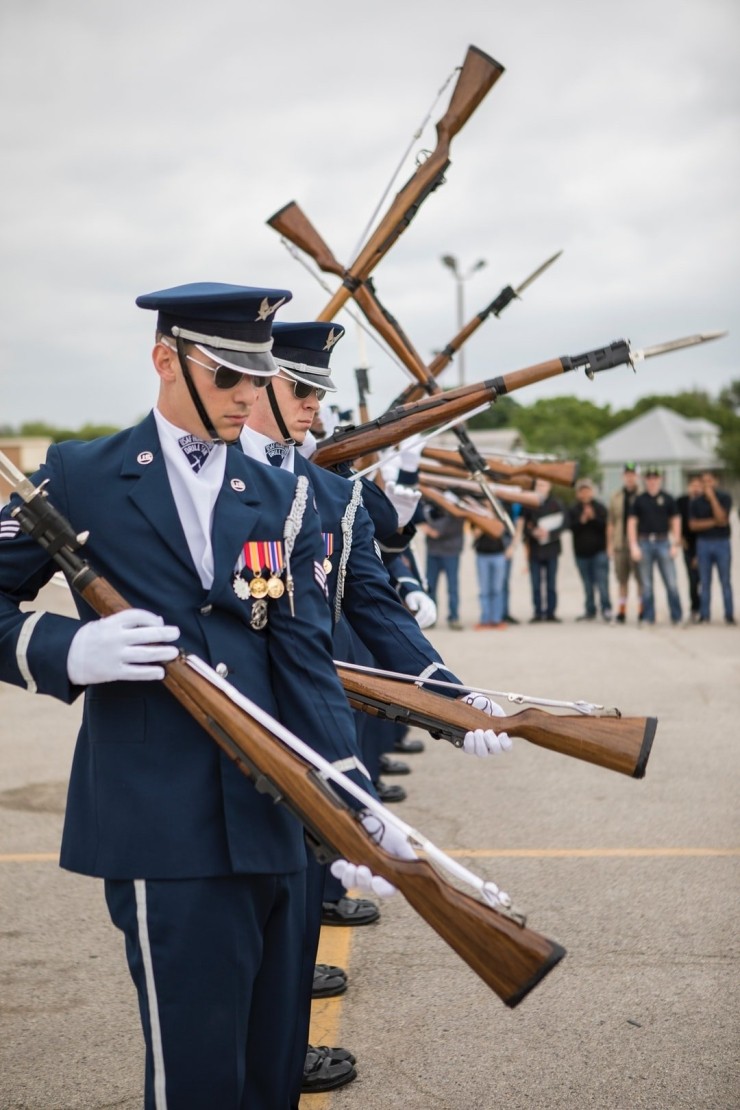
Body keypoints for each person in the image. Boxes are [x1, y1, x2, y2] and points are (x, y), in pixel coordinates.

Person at [0, 282, 409, 1109]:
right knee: (195, 1081)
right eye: (228, 376)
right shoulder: (83, 475)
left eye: (257, 379)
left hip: (281, 819)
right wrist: (67, 647)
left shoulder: (285, 493)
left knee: (271, 1075)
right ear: (165, 360)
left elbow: (303, 658)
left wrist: (354, 800)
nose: (248, 397)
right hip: (163, 827)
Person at [240, 319, 513, 1101]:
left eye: (318, 394)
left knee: (298, 903)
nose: (312, 408)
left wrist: (452, 697)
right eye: (300, 389)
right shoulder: (197, 479)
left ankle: (283, 1056)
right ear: (258, 385)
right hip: (228, 735)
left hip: (317, 732)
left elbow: (376, 603)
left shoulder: (334, 493)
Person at [626, 467, 683, 625]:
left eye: (655, 478)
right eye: (649, 478)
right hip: (644, 542)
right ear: (645, 480)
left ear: (660, 479)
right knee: (646, 584)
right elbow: (631, 523)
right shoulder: (639, 500)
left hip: (663, 542)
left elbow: (676, 520)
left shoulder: (668, 498)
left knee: (671, 582)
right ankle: (648, 617)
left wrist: (676, 543)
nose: (652, 481)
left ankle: (677, 616)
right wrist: (633, 545)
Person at [688, 471, 735, 625]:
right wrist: (715, 522)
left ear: (715, 481)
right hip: (704, 543)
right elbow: (693, 525)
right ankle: (704, 614)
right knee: (705, 581)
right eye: (704, 482)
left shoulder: (724, 498)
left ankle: (729, 614)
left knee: (725, 580)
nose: (707, 484)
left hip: (722, 543)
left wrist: (713, 499)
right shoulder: (695, 502)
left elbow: (723, 518)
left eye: (709, 481)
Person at [565, 478, 612, 621]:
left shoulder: (600, 507)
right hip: (581, 553)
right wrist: (582, 520)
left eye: (587, 490)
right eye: (582, 491)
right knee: (587, 584)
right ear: (578, 493)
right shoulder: (574, 509)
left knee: (602, 582)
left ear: (592, 492)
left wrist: (593, 518)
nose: (585, 494)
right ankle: (590, 610)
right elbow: (570, 528)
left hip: (599, 552)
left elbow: (605, 527)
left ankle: (606, 609)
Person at [518, 479, 564, 622]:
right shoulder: (528, 504)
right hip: (535, 550)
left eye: (543, 485)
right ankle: (538, 612)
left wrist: (549, 534)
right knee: (536, 584)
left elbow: (564, 523)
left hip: (551, 549)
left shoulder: (557, 503)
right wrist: (533, 532)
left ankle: (550, 612)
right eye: (538, 485)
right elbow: (523, 526)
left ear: (549, 487)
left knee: (551, 583)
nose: (541, 488)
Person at [418, 499, 465, 629]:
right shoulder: (432, 507)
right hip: (434, 552)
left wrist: (425, 526)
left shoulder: (455, 508)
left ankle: (454, 617)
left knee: (452, 588)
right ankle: (431, 618)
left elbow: (437, 532)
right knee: (431, 587)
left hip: (450, 552)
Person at [606, 462, 643, 624]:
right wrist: (609, 544)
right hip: (620, 543)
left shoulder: (643, 496)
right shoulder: (616, 496)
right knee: (622, 579)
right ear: (623, 476)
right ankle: (621, 610)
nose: (630, 477)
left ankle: (643, 610)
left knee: (641, 579)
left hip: (638, 543)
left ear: (637, 476)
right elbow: (611, 522)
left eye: (633, 474)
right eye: (627, 474)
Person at [471, 522, 508, 629]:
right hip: (482, 555)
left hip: (498, 554)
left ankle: (496, 619)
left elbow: (502, 531)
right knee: (484, 590)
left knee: (497, 589)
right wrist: (484, 523)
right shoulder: (477, 516)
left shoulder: (499, 513)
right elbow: (476, 533)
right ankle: (485, 619)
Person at [676, 474, 703, 622]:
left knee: (703, 579)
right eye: (693, 485)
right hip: (688, 544)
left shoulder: (705, 501)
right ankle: (695, 608)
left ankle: (703, 609)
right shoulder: (681, 501)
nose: (696, 488)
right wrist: (679, 537)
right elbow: (674, 520)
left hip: (704, 544)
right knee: (692, 579)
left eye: (698, 485)